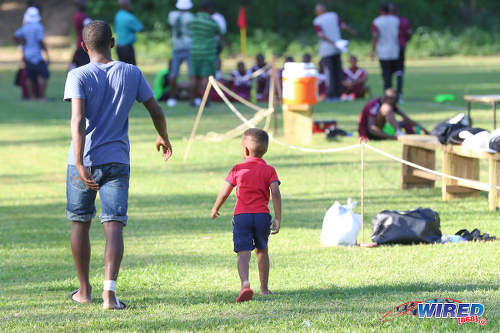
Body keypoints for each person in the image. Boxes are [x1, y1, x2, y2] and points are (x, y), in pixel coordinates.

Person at [64, 20, 172, 310]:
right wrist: (163, 136)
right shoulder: (131, 72)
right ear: (112, 43)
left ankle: (84, 292)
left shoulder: (78, 75)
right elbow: (155, 108)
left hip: (82, 161)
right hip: (117, 160)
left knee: (80, 222)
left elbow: (77, 120)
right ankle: (109, 295)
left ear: (83, 46)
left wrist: (78, 160)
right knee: (113, 227)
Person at [211, 128, 282, 303]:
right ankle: (264, 289)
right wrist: (278, 217)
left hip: (242, 216)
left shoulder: (238, 168)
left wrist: (215, 207)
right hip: (261, 217)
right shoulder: (269, 170)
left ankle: (245, 283)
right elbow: (276, 192)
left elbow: (225, 191)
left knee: (243, 253)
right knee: (262, 251)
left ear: (245, 150)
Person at [313, 3, 356, 102]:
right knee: (337, 72)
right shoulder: (333, 15)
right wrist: (351, 32)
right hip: (337, 48)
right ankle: (339, 93)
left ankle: (332, 95)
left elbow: (321, 35)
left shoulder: (317, 21)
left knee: (329, 73)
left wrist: (333, 43)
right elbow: (343, 26)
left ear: (319, 11)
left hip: (327, 50)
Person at [358, 88, 427, 140]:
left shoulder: (389, 103)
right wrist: (393, 137)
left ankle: (408, 135)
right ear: (388, 99)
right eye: (395, 101)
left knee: (406, 122)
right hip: (369, 134)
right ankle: (399, 132)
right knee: (387, 109)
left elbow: (407, 119)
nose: (395, 104)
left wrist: (424, 130)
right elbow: (371, 128)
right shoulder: (374, 105)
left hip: (382, 129)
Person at [188, 0, 220, 106]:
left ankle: (192, 100)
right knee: (205, 78)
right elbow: (219, 31)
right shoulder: (211, 22)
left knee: (193, 77)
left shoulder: (193, 20)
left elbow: (189, 28)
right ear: (209, 9)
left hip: (194, 52)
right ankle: (205, 101)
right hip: (207, 53)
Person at [14, 6, 50, 101]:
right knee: (43, 75)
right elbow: (40, 41)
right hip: (37, 55)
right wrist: (47, 53)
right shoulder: (38, 27)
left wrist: (22, 43)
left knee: (29, 76)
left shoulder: (25, 27)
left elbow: (16, 35)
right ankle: (41, 97)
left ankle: (31, 97)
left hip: (27, 55)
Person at [166, 0, 194, 108]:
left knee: (174, 74)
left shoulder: (172, 15)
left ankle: (172, 98)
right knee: (191, 74)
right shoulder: (191, 17)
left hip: (176, 46)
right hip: (189, 46)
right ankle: (193, 99)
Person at [371, 3, 400, 94]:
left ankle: (387, 93)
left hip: (383, 51)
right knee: (395, 73)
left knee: (386, 74)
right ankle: (397, 93)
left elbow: (375, 36)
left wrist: (372, 50)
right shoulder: (396, 20)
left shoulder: (376, 21)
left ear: (380, 11)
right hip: (395, 50)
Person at [389, 3, 412, 103]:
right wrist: (405, 41)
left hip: (389, 49)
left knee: (388, 73)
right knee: (399, 72)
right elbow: (409, 33)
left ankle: (389, 96)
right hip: (401, 47)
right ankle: (399, 95)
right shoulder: (403, 21)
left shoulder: (387, 21)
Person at [114, 0, 143, 65]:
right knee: (131, 68)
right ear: (127, 6)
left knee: (122, 68)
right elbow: (141, 29)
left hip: (119, 47)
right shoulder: (129, 17)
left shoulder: (118, 15)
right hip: (127, 48)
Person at [70, 0, 91, 69]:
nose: (85, 4)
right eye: (83, 2)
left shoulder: (78, 15)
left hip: (81, 45)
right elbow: (91, 27)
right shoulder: (81, 16)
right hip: (83, 46)